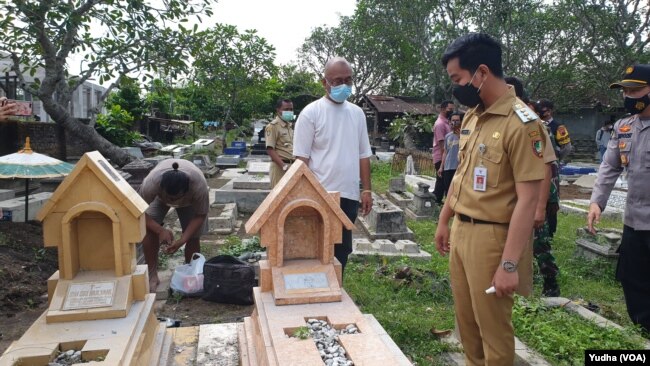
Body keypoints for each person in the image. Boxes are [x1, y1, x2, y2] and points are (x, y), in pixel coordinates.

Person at [434, 33, 546, 365]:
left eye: (458, 79)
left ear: (481, 72)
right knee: (467, 327)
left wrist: (509, 264)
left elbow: (528, 200)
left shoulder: (524, 125)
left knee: (493, 332)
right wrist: (444, 219)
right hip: (462, 232)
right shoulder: (472, 115)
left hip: (493, 239)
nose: (456, 88)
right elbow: (462, 176)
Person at [293, 56, 373, 272]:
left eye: (348, 80)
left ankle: (337, 290)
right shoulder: (311, 113)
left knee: (342, 249)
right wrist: (305, 195)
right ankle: (316, 291)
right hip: (320, 193)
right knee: (316, 246)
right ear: (324, 82)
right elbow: (301, 161)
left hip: (347, 195)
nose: (344, 86)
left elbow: (363, 155)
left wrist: (366, 190)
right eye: (337, 81)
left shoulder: (357, 114)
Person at [588, 64, 650, 335]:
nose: (629, 96)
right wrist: (596, 202)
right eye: (626, 91)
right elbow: (609, 167)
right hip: (634, 220)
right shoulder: (623, 127)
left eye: (636, 90)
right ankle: (643, 331)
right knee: (632, 278)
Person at [506, 76, 561, 296]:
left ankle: (550, 280)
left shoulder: (530, 122)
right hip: (515, 197)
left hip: (535, 196)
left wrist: (540, 207)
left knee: (540, 242)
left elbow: (546, 168)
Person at [138, 159, 209, 292]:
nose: (173, 201)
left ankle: (190, 273)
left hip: (190, 203)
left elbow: (200, 215)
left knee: (193, 236)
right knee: (149, 229)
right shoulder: (151, 183)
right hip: (158, 200)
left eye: (176, 198)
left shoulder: (198, 185)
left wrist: (182, 240)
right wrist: (159, 230)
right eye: (170, 197)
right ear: (161, 187)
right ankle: (152, 275)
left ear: (187, 189)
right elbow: (137, 211)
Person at [266, 98, 295, 188]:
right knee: (278, 197)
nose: (289, 112)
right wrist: (284, 166)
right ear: (278, 110)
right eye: (286, 109)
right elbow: (270, 150)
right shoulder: (273, 126)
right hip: (280, 167)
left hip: (292, 166)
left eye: (291, 109)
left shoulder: (289, 126)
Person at [535, 98, 572, 163]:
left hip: (551, 162)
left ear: (549, 111)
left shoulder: (559, 127)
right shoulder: (534, 125)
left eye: (541, 108)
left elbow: (567, 148)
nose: (538, 111)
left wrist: (556, 158)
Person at [433, 100, 455, 203]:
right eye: (450, 109)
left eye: (452, 109)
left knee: (442, 180)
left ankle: (437, 200)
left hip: (448, 157)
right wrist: (443, 162)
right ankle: (437, 200)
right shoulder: (440, 124)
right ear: (442, 109)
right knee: (442, 180)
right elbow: (442, 145)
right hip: (441, 156)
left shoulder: (447, 122)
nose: (451, 111)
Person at [438, 112, 462, 196]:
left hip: (459, 167)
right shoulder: (447, 136)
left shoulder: (465, 135)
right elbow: (445, 152)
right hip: (448, 167)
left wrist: (460, 136)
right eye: (453, 120)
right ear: (449, 122)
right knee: (448, 190)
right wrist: (441, 167)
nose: (455, 123)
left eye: (457, 121)